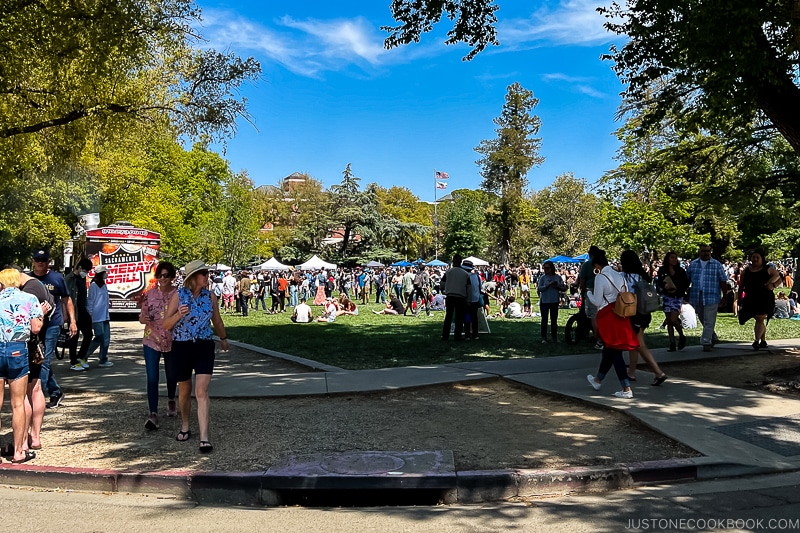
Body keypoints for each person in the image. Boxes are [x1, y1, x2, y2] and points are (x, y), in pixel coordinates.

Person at [163, 260, 228, 453]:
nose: (207, 277)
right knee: (184, 390)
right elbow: (166, 324)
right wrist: (178, 316)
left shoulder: (211, 296)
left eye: (207, 274)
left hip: (204, 345)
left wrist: (223, 338)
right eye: (204, 274)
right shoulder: (179, 295)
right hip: (181, 346)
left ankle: (204, 437)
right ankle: (185, 425)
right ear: (193, 277)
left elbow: (216, 319)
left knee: (201, 391)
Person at [0, 268, 43, 463]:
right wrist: (40, 316)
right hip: (18, 349)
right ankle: (18, 451)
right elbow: (35, 327)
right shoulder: (29, 299)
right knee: (18, 403)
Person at [585, 251, 638, 399]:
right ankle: (598, 380)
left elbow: (596, 301)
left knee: (614, 352)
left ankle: (626, 388)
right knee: (610, 350)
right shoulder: (620, 276)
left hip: (607, 317)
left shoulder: (600, 277)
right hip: (621, 314)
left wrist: (588, 293)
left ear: (596, 265)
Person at [30, 248, 74, 408]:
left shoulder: (56, 278)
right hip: (33, 325)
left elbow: (66, 300)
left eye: (43, 260)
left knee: (44, 361)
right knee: (37, 360)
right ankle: (56, 391)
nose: (40, 263)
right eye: (37, 260)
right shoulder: (27, 278)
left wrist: (72, 321)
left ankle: (37, 396)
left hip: (52, 324)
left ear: (48, 262)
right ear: (33, 261)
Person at [139, 261, 179, 431]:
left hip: (172, 340)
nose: (162, 279)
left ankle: (171, 399)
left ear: (172, 277)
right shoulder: (150, 294)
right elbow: (141, 316)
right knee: (152, 377)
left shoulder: (177, 294)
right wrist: (144, 319)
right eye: (159, 276)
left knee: (171, 375)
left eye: (165, 276)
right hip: (151, 339)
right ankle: (153, 413)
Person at [620, 250, 668, 386]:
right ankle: (632, 372)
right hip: (645, 313)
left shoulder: (624, 277)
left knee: (639, 344)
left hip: (633, 313)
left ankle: (658, 372)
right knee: (635, 343)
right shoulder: (642, 277)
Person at [686, 244, 729, 352]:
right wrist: (685, 293)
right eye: (704, 251)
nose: (706, 253)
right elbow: (687, 279)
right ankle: (712, 336)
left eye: (708, 251)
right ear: (699, 252)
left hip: (712, 296)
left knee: (709, 320)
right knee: (702, 318)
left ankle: (706, 342)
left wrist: (725, 296)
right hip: (697, 295)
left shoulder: (716, 264)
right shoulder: (693, 264)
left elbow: (723, 281)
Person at [737, 248, 781, 350]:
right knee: (757, 319)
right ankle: (763, 341)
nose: (755, 259)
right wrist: (739, 299)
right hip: (751, 298)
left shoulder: (768, 269)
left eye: (757, 257)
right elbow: (741, 285)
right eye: (753, 257)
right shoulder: (746, 271)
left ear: (762, 258)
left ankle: (756, 341)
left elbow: (778, 276)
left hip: (764, 298)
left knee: (760, 318)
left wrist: (772, 284)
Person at [655, 251, 689, 352]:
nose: (674, 260)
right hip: (667, 296)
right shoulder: (662, 270)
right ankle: (672, 343)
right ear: (667, 259)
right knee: (669, 321)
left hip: (677, 297)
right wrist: (665, 287)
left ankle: (682, 336)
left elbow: (685, 283)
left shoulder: (681, 271)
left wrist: (678, 290)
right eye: (672, 258)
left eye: (675, 258)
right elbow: (660, 282)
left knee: (674, 319)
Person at [64, 258, 94, 371]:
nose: (86, 273)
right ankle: (73, 361)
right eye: (85, 270)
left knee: (89, 334)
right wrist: (65, 314)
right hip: (74, 312)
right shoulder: (68, 279)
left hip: (83, 311)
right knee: (74, 338)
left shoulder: (82, 278)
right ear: (79, 267)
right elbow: (64, 297)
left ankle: (81, 357)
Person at [85, 265, 113, 367]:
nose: (107, 274)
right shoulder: (94, 285)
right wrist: (90, 313)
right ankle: (84, 355)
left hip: (104, 315)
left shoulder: (103, 285)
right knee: (99, 337)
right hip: (97, 316)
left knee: (106, 338)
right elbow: (91, 300)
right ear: (101, 273)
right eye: (105, 272)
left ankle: (103, 359)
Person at [578, 246, 603, 349]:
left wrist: (583, 290)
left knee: (593, 316)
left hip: (591, 292)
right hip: (604, 293)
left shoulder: (587, 265)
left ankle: (598, 339)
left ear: (590, 254)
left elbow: (582, 281)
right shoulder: (604, 265)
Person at [441, 254, 469, 341]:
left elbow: (442, 283)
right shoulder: (465, 273)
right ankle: (458, 336)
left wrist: (444, 291)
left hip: (450, 296)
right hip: (461, 297)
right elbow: (469, 287)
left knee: (448, 316)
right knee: (459, 317)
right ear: (461, 262)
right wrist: (468, 298)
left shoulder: (448, 272)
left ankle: (445, 335)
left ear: (453, 261)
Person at [537, 261, 566, 343]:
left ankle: (554, 337)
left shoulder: (557, 277)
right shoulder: (543, 278)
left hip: (554, 301)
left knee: (554, 320)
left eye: (547, 268)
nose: (546, 270)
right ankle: (543, 337)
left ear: (552, 268)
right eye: (544, 268)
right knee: (544, 320)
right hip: (544, 301)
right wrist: (547, 285)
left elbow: (563, 288)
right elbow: (539, 289)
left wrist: (556, 286)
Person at [462, 260, 482, 339]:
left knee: (467, 317)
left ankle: (467, 334)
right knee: (474, 317)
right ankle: (475, 334)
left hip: (466, 300)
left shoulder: (464, 276)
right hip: (475, 299)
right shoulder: (477, 276)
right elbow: (480, 288)